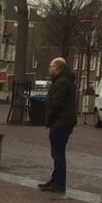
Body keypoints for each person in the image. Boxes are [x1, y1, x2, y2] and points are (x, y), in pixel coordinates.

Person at [38, 57, 76, 195]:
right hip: (63, 122)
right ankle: (55, 180)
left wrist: (50, 118)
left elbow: (57, 104)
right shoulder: (66, 82)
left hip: (60, 123)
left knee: (58, 154)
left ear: (58, 68)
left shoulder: (61, 83)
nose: (49, 68)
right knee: (57, 153)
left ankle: (58, 184)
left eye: (51, 66)